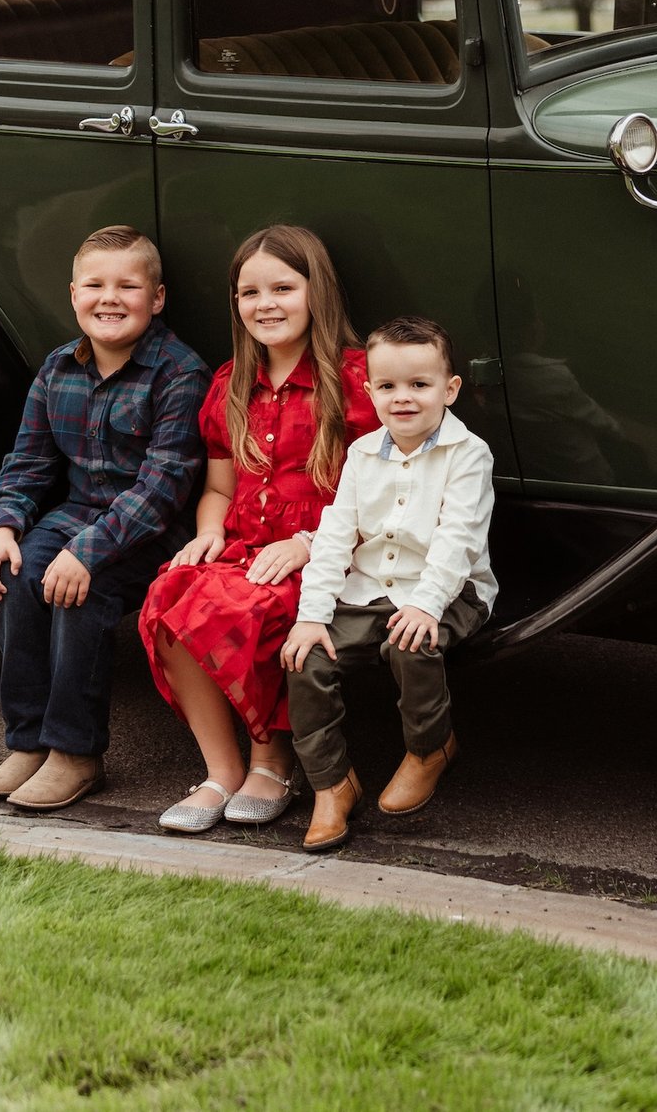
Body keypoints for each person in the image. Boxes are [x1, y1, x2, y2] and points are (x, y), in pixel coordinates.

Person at [138, 225, 373, 834]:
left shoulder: (355, 381)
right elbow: (218, 487)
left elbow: (381, 497)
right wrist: (208, 533)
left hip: (325, 551)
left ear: (316, 291)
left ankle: (272, 762)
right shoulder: (229, 386)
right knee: (170, 594)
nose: (265, 304)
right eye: (249, 293)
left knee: (249, 607)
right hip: (244, 542)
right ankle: (220, 771)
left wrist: (305, 545)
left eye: (283, 288)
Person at [0, 225, 206, 813]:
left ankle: (75, 753)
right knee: (16, 573)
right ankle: (28, 743)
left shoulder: (178, 373)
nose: (110, 298)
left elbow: (162, 488)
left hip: (156, 530)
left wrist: (88, 552)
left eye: (128, 285)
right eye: (95, 285)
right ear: (73, 294)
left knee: (84, 589)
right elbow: (26, 464)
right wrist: (1, 524)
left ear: (156, 299)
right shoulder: (57, 370)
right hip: (76, 515)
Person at [281, 314, 498, 853]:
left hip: (450, 590)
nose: (403, 398)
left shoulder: (468, 455)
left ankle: (430, 747)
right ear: (370, 389)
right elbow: (334, 537)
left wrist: (426, 605)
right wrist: (312, 614)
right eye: (388, 386)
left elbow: (458, 540)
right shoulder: (361, 455)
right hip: (371, 588)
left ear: (449, 390)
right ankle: (333, 784)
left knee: (411, 642)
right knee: (306, 660)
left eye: (419, 385)